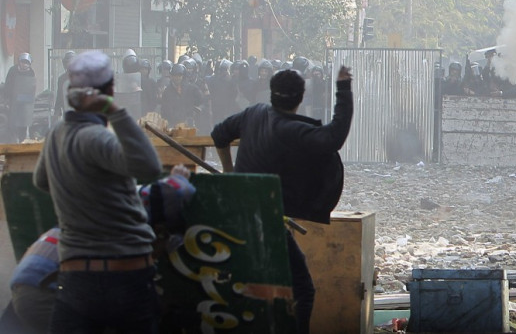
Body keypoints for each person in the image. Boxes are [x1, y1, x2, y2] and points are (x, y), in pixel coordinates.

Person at [211, 66, 354, 334]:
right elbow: (335, 136)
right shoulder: (290, 130)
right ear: (301, 97)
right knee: (302, 290)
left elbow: (219, 134)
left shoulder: (253, 113)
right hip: (263, 221)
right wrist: (344, 89)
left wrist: (229, 174)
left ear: (272, 94)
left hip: (238, 215)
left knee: (251, 289)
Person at [32, 50, 163, 333]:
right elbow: (149, 166)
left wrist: (86, 190)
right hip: (125, 278)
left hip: (75, 279)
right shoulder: (98, 138)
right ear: (110, 91)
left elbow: (42, 181)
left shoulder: (57, 133)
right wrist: (116, 112)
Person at [7, 165, 195, 334]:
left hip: (32, 283)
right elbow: (171, 192)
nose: (159, 254)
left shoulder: (104, 208)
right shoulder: (128, 216)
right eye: (163, 246)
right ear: (159, 231)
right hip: (45, 290)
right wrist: (179, 177)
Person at [4, 53, 36, 142]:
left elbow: (32, 86)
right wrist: (7, 99)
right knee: (12, 123)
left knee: (23, 123)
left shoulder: (31, 72)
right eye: (23, 62)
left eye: (27, 63)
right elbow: (8, 85)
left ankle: (21, 140)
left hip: (25, 101)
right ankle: (12, 141)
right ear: (19, 62)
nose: (24, 64)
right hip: (13, 101)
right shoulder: (13, 70)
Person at [161, 63, 204, 128]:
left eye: (179, 75)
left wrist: (195, 112)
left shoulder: (192, 89)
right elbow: (165, 110)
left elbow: (201, 101)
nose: (177, 78)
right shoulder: (167, 91)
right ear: (171, 76)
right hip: (173, 125)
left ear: (183, 76)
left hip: (189, 125)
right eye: (175, 75)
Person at [53, 51, 76, 120]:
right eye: (68, 62)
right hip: (67, 110)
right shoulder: (62, 79)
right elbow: (59, 95)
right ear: (65, 64)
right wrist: (57, 109)